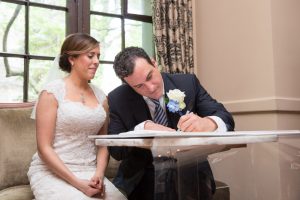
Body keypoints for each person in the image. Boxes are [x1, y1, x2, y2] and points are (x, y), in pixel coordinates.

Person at [107, 47, 235, 200]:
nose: (150, 87)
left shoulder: (187, 83)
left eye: (149, 77)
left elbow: (225, 117)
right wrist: (142, 128)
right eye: (139, 86)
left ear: (154, 63)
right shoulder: (117, 98)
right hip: (142, 178)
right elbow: (115, 150)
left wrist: (208, 123)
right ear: (128, 84)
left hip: (190, 171)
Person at [27, 33, 126, 200]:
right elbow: (44, 148)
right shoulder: (51, 93)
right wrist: (78, 183)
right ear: (72, 59)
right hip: (52, 171)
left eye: (98, 56)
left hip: (90, 171)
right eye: (90, 56)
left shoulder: (101, 96)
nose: (96, 61)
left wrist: (99, 175)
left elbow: (103, 143)